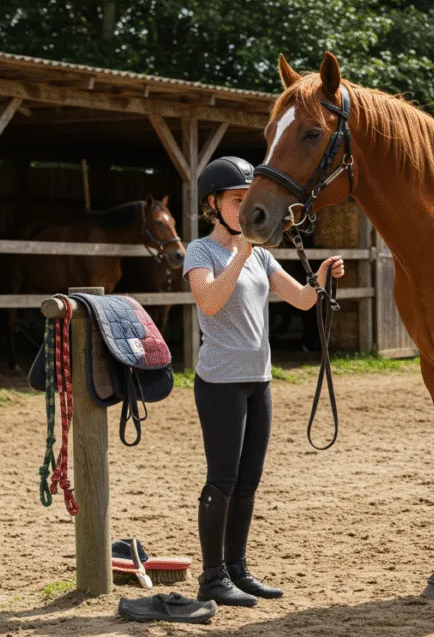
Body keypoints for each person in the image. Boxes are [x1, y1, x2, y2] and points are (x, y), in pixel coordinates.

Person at [183, 156, 345, 606]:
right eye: (238, 199)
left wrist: (324, 278)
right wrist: (239, 257)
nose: (246, 205)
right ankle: (212, 577)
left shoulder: (263, 256)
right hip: (220, 381)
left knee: (249, 481)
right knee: (222, 480)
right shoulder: (202, 252)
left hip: (259, 379)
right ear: (213, 204)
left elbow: (301, 300)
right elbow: (210, 302)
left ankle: (237, 569)